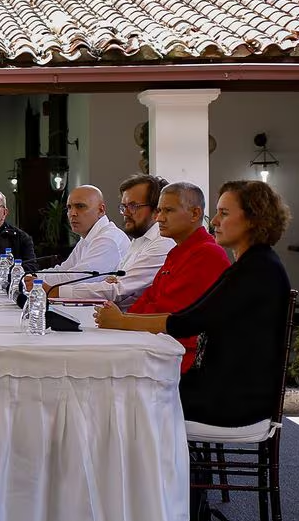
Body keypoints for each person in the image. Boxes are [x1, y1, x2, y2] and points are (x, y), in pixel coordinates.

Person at [96, 180, 292, 428]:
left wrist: (122, 322)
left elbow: (186, 321)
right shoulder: (255, 264)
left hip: (235, 398)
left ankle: (150, 467)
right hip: (227, 387)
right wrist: (121, 322)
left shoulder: (255, 269)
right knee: (123, 388)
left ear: (253, 219)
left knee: (124, 395)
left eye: (224, 213)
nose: (215, 222)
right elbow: (184, 314)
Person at [118, 182, 231, 372]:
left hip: (186, 360)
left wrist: (121, 321)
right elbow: (149, 298)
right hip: (158, 345)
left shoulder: (207, 254)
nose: (159, 218)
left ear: (195, 214)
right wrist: (124, 319)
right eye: (159, 210)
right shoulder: (177, 251)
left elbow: (170, 314)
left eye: (168, 211)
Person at [51, 174, 175, 307]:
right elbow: (115, 282)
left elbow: (117, 290)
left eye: (133, 206)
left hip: (134, 322)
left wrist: (55, 291)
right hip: (120, 317)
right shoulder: (139, 240)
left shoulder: (162, 243)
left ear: (156, 209)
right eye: (124, 207)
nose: (126, 213)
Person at [35, 184, 128, 288]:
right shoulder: (88, 237)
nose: (72, 213)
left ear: (101, 210)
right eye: (69, 207)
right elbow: (64, 270)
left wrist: (33, 281)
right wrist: (32, 276)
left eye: (80, 206)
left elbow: (76, 279)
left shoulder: (107, 239)